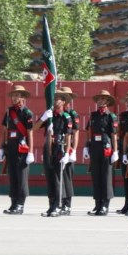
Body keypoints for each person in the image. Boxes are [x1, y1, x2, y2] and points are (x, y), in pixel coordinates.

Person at [34, 89, 73, 217]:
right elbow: (34, 128)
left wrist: (67, 153)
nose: (55, 101)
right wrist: (44, 118)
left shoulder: (66, 117)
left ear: (63, 102)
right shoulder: (49, 115)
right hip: (48, 148)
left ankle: (58, 205)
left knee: (57, 178)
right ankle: (51, 205)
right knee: (50, 177)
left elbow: (68, 136)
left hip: (59, 149)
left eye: (58, 99)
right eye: (54, 98)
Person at [0, 85, 35, 215]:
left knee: (21, 177)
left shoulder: (27, 113)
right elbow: (4, 130)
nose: (14, 98)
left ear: (22, 97)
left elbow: (30, 132)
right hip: (11, 148)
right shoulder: (9, 112)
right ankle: (13, 203)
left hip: (22, 149)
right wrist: (2, 148)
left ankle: (20, 204)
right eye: (13, 95)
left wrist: (31, 152)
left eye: (17, 95)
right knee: (13, 176)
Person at [85, 90, 119, 216]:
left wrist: (115, 151)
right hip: (95, 147)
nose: (100, 100)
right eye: (99, 98)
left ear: (107, 101)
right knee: (96, 175)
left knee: (106, 176)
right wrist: (86, 147)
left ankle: (105, 205)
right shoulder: (93, 115)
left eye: (103, 99)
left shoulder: (111, 116)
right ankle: (98, 203)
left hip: (106, 148)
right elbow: (89, 132)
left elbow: (113, 135)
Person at [59, 86, 80, 215]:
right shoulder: (58, 113)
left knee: (67, 177)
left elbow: (76, 133)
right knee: (58, 176)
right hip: (58, 147)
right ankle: (60, 202)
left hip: (69, 148)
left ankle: (67, 204)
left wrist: (74, 150)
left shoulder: (73, 114)